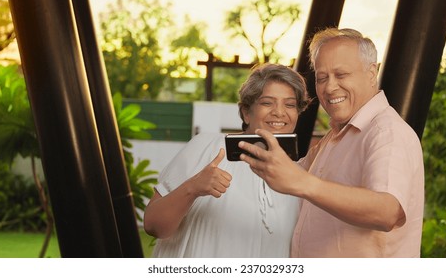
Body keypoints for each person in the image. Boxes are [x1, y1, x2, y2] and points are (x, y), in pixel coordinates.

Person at [238, 28, 425, 257]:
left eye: (341, 75)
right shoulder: (336, 136)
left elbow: (387, 211)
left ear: (371, 73)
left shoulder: (386, 132)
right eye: (322, 78)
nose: (329, 87)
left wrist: (305, 184)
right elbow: (288, 175)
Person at [143, 63, 310, 257]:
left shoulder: (300, 177)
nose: (280, 112)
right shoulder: (208, 146)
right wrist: (192, 188)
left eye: (290, 104)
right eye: (267, 102)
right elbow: (153, 225)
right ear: (247, 112)